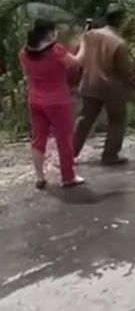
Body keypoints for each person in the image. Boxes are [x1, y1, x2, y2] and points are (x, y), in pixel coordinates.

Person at [20, 19, 86, 188]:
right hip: (58, 102)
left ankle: (40, 177)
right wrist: (84, 43)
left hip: (35, 100)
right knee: (64, 139)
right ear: (49, 33)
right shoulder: (56, 51)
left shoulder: (24, 53)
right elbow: (76, 62)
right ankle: (68, 176)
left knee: (38, 139)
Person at [73, 5, 135, 166]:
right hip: (111, 88)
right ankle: (110, 155)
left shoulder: (89, 35)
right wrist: (131, 88)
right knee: (116, 120)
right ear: (121, 21)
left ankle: (69, 154)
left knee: (84, 120)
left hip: (89, 83)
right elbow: (125, 70)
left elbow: (78, 54)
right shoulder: (119, 43)